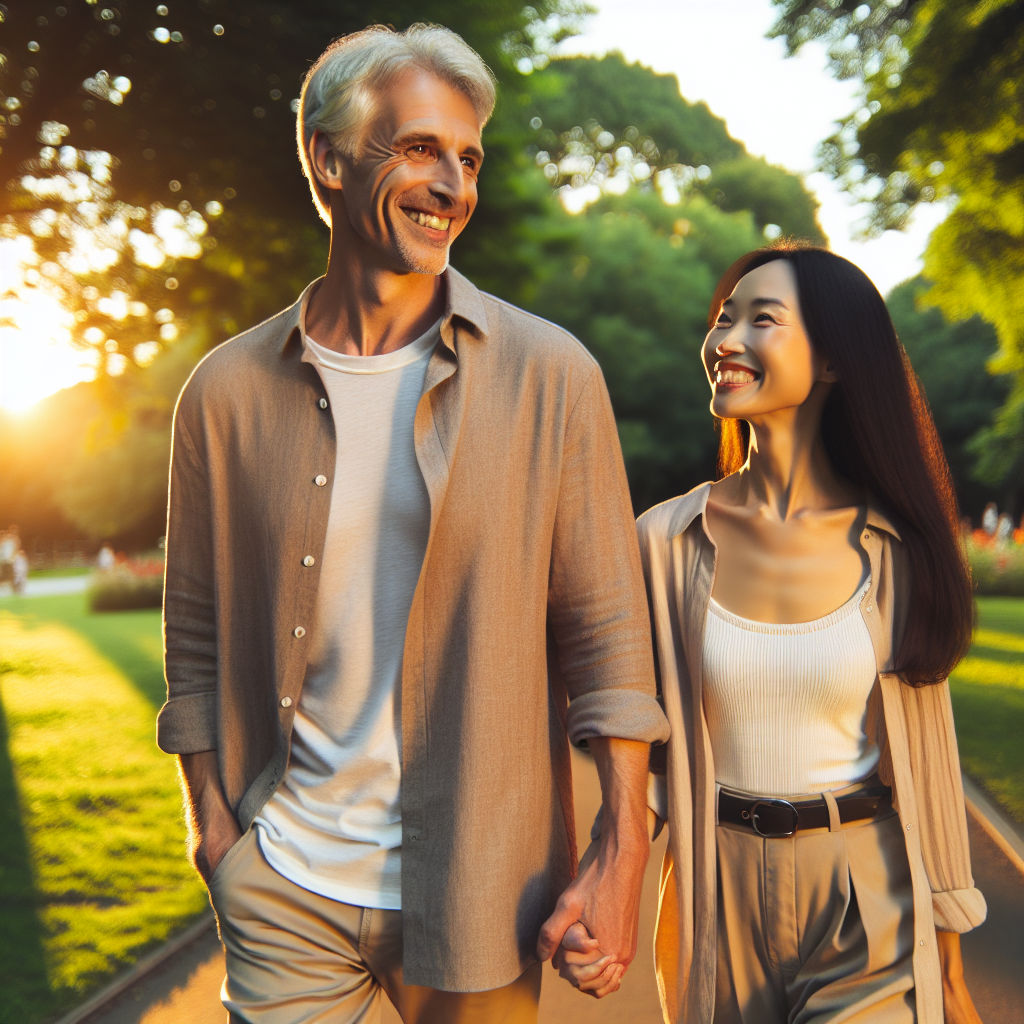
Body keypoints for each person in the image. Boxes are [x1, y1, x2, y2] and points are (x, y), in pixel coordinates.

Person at [157, 23, 668, 1024]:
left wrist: (621, 853)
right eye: (420, 148)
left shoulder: (548, 375)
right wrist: (214, 830)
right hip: (285, 883)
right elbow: (195, 637)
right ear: (329, 156)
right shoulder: (222, 394)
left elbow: (609, 638)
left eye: (468, 158)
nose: (453, 185)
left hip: (481, 889)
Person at [559, 243, 985, 1023]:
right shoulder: (661, 542)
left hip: (866, 892)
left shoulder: (897, 552)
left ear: (832, 362)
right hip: (712, 897)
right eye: (723, 320)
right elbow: (644, 744)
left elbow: (926, 758)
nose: (725, 341)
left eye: (762, 320)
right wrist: (605, 875)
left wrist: (950, 973)